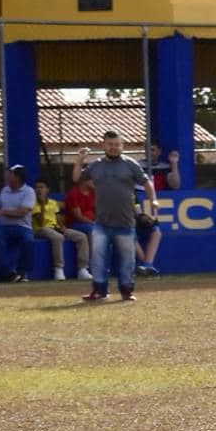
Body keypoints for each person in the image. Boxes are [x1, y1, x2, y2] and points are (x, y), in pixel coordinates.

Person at [83, 129, 144, 303]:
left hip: (125, 222)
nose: (114, 147)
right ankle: (99, 290)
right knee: (98, 258)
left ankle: (126, 291)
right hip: (101, 222)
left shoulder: (130, 164)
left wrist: (153, 200)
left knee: (127, 260)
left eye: (117, 144)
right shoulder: (96, 165)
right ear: (103, 145)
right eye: (110, 144)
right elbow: (79, 178)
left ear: (122, 145)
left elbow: (146, 182)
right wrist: (79, 160)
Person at [0, 164, 38, 282]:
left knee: (28, 240)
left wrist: (0, 212)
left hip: (23, 227)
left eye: (10, 173)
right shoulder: (4, 190)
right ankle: (8, 274)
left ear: (18, 177)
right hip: (4, 227)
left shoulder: (29, 191)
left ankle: (23, 272)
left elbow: (22, 212)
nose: (8, 176)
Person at [60, 168, 96, 286]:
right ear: (84, 180)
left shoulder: (94, 192)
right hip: (75, 225)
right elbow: (78, 216)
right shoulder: (73, 193)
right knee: (92, 230)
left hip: (90, 223)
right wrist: (94, 224)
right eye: (92, 179)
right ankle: (91, 265)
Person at [31, 178, 67, 278]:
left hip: (55, 228)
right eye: (36, 188)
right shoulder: (33, 203)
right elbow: (41, 222)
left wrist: (63, 227)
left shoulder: (53, 202)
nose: (38, 190)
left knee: (80, 236)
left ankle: (82, 269)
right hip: (41, 229)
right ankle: (58, 269)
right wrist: (42, 205)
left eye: (41, 187)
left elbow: (58, 219)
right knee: (58, 238)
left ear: (47, 190)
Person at [134, 163, 163, 275]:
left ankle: (147, 265)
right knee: (128, 234)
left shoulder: (132, 194)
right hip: (122, 224)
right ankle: (145, 264)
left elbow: (136, 208)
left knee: (156, 232)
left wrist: (145, 219)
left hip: (133, 221)